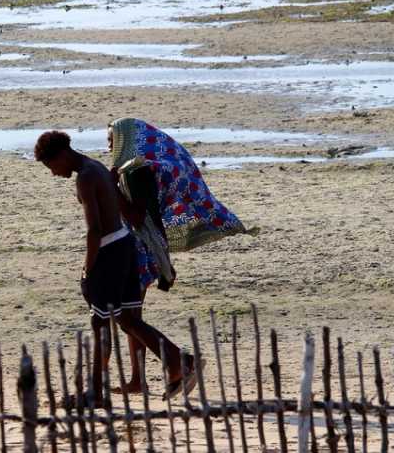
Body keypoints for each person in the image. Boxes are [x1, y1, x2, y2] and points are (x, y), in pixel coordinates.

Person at [34, 129, 196, 398]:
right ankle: (180, 362)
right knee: (128, 319)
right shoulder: (96, 166)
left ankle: (98, 392)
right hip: (125, 246)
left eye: (51, 166)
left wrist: (88, 269)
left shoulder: (85, 178)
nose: (53, 172)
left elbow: (94, 230)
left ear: (62, 155)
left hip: (109, 252)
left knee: (101, 322)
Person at [108, 117, 250, 391]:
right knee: (132, 314)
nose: (109, 145)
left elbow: (137, 216)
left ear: (128, 139)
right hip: (143, 245)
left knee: (126, 315)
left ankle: (179, 363)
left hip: (141, 247)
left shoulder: (138, 172)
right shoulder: (132, 169)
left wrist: (112, 189)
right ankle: (139, 379)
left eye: (112, 138)